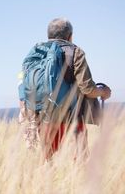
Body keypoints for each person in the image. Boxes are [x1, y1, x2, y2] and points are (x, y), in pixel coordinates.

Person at [21, 18, 111, 160]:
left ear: (48, 35)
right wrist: (103, 92)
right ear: (70, 36)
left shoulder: (36, 53)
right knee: (78, 165)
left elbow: (24, 85)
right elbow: (87, 88)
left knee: (48, 164)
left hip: (43, 119)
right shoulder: (75, 52)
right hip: (71, 119)